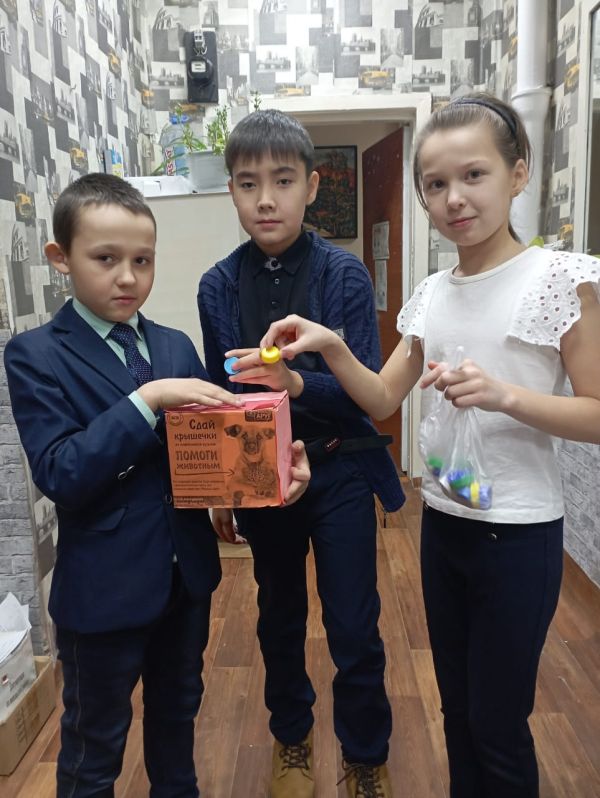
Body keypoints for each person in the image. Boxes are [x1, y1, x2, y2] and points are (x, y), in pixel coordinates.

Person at [260, 93, 600, 798]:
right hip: (444, 523)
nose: (454, 199)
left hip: (520, 533)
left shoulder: (561, 280)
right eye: (436, 184)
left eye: (474, 175)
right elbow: (383, 398)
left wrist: (506, 395)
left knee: (498, 725)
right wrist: (330, 347)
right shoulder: (431, 293)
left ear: (518, 172)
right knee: (457, 712)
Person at [3, 173, 310, 798]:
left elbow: (208, 447)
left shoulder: (172, 346)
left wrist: (273, 474)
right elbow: (61, 471)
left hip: (185, 579)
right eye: (105, 259)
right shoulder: (35, 354)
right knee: (94, 749)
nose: (127, 278)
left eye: (142, 261)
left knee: (177, 723)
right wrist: (147, 401)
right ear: (61, 258)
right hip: (104, 593)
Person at [198, 109, 404, 798]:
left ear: (312, 187)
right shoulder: (217, 286)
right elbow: (223, 394)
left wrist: (294, 384)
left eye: (283, 181)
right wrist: (223, 486)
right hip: (264, 476)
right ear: (231, 190)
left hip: (339, 469)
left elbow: (365, 392)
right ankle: (292, 741)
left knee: (354, 623)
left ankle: (365, 756)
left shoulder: (345, 276)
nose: (266, 199)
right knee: (278, 616)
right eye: (248, 183)